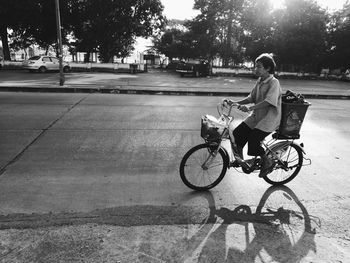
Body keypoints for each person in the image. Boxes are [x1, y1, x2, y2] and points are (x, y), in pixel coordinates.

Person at [223, 53, 282, 177]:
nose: (256, 69)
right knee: (237, 133)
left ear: (268, 68)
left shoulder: (274, 82)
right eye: (256, 66)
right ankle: (242, 161)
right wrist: (235, 102)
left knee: (253, 143)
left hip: (268, 120)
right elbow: (252, 97)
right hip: (257, 117)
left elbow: (269, 101)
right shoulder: (260, 81)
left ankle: (268, 162)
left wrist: (250, 107)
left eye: (259, 67)